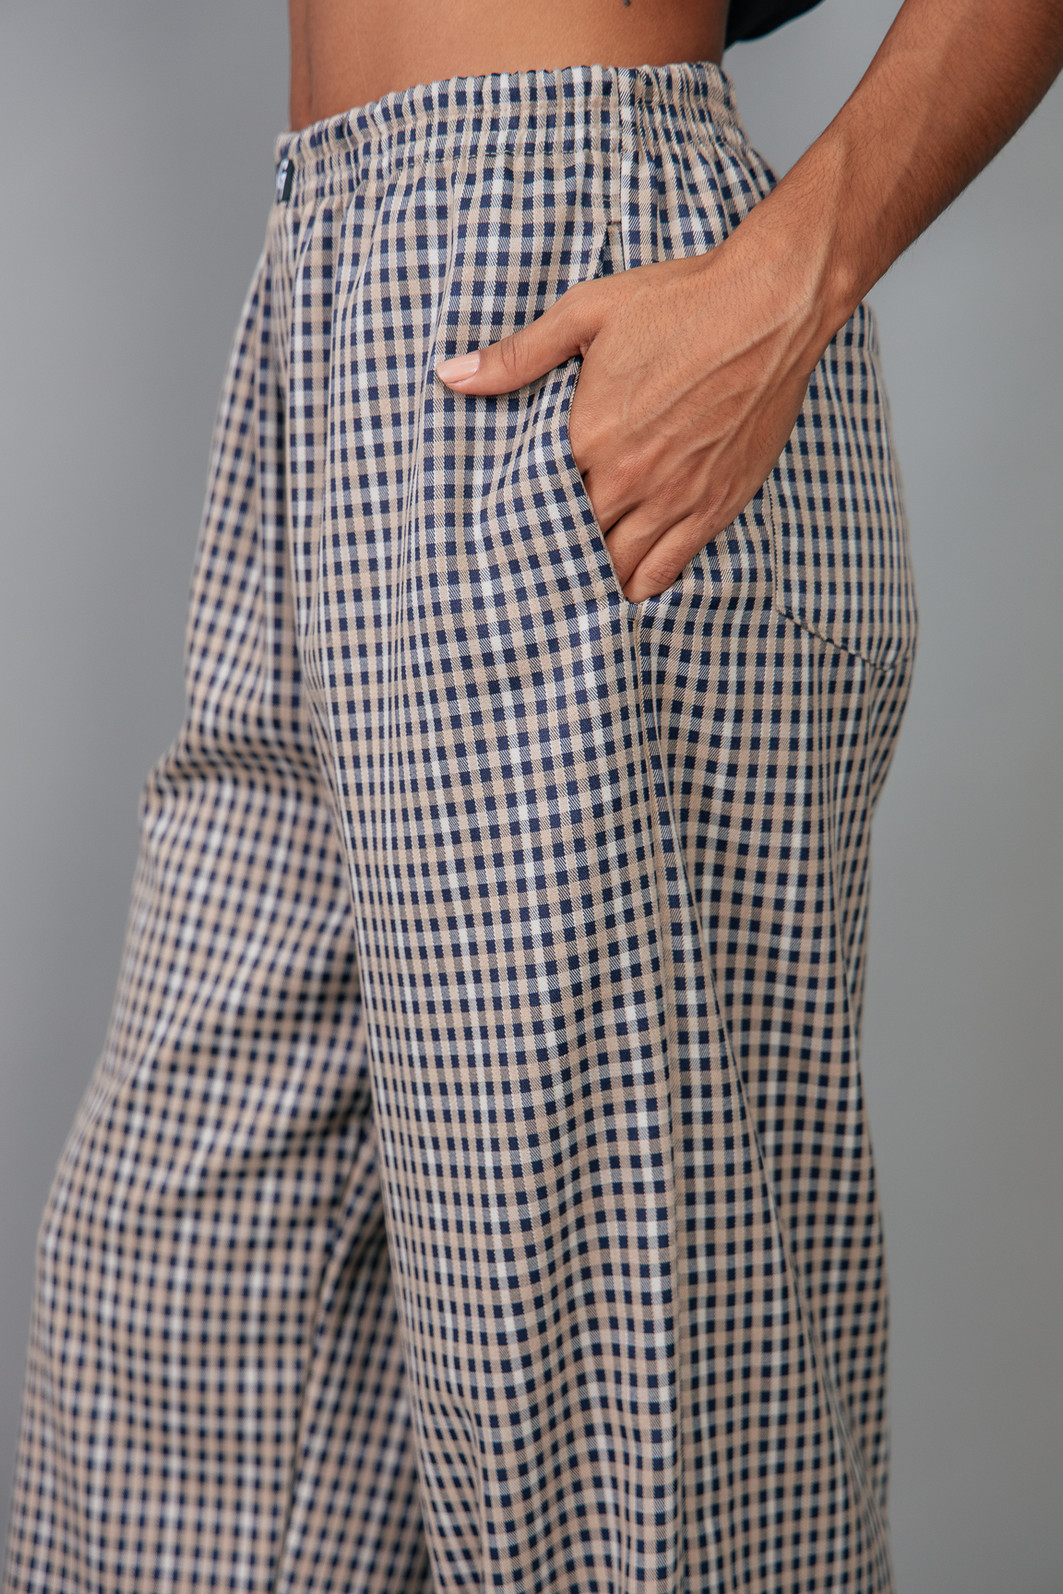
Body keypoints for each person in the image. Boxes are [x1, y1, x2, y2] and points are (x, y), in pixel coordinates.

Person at [4, 2, 1061, 1591]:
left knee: (634, 1483)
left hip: (572, 287)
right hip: (330, 297)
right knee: (185, 1335)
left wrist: (796, 275)